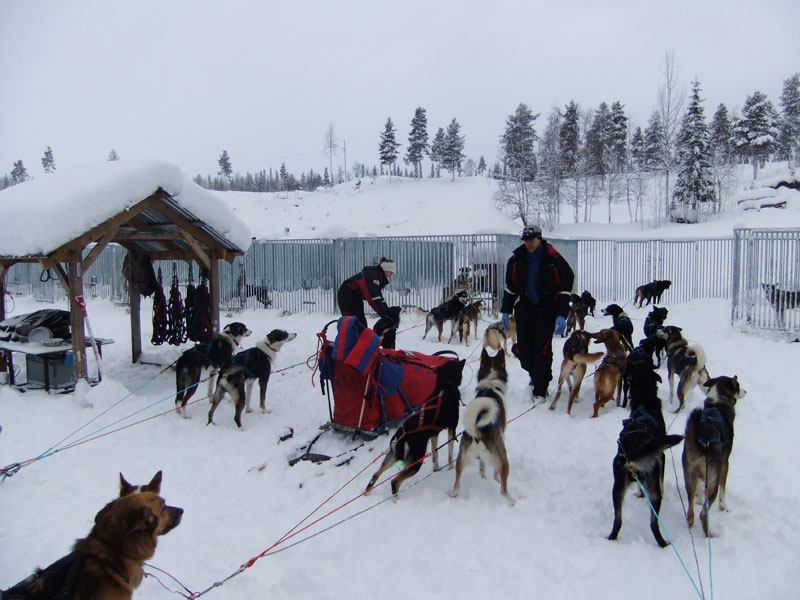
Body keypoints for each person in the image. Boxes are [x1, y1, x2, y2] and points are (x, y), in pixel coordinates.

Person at [501, 226, 574, 402]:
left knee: (542, 350)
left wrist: (561, 313)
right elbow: (510, 288)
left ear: (539, 239)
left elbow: (566, 284)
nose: (528, 243)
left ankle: (540, 389)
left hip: (546, 310)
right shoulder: (517, 259)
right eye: (526, 240)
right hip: (525, 310)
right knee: (524, 351)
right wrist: (506, 309)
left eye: (531, 240)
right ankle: (535, 375)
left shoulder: (553, 258)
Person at [337, 257, 398, 332]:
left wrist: (386, 312)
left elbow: (379, 298)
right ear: (385, 270)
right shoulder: (372, 276)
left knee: (360, 324)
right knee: (352, 323)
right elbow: (373, 298)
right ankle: (348, 339)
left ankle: (360, 338)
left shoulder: (377, 277)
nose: (390, 275)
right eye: (390, 273)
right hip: (346, 296)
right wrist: (385, 315)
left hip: (355, 298)